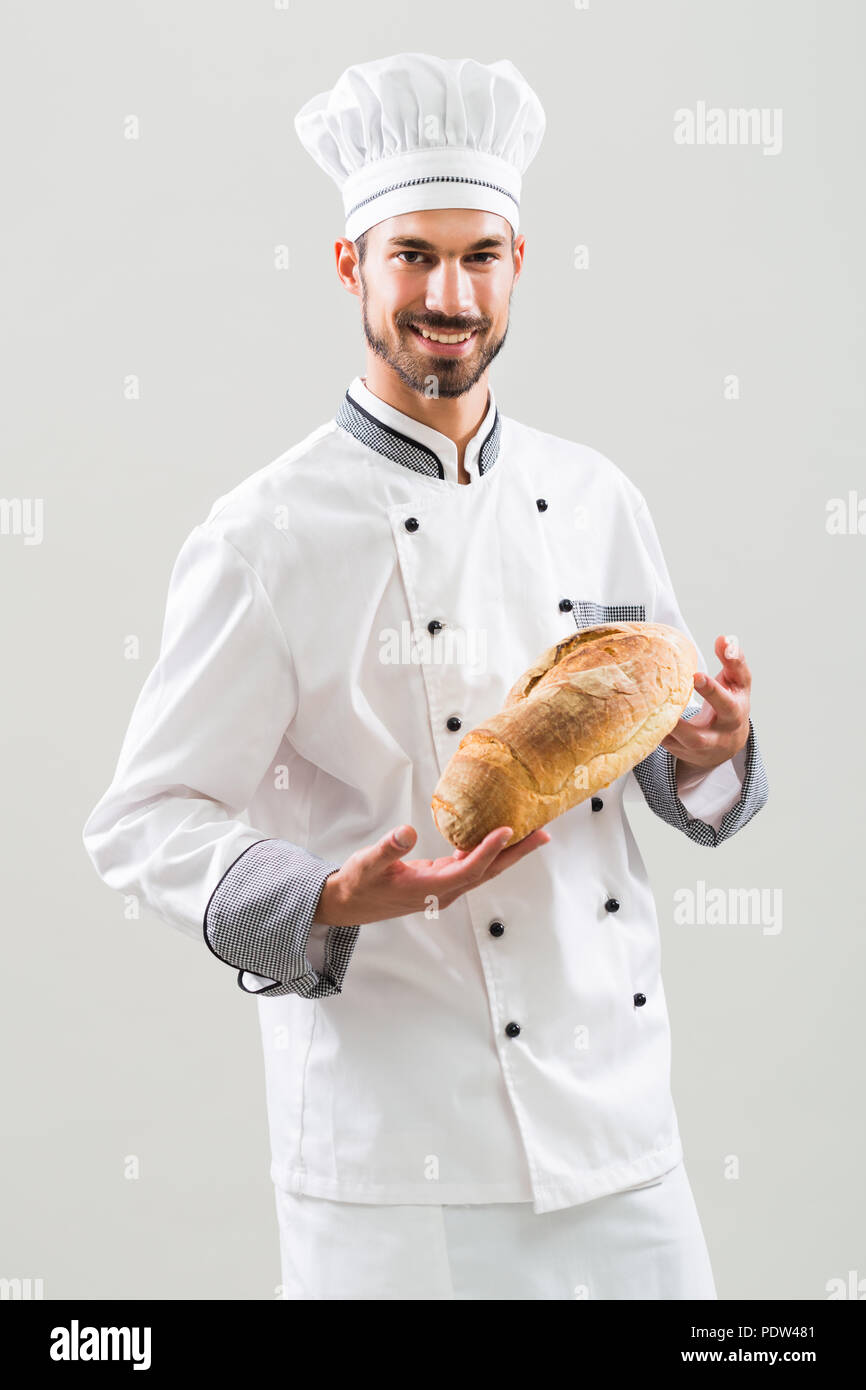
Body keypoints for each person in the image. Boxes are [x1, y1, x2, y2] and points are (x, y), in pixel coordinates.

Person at [82, 52, 769, 1300]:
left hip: (619, 1136)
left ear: (518, 262)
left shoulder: (597, 495)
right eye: (411, 255)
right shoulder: (264, 535)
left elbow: (649, 748)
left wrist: (708, 752)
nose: (447, 293)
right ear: (350, 264)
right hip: (395, 1160)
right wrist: (324, 895)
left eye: (478, 255)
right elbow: (140, 819)